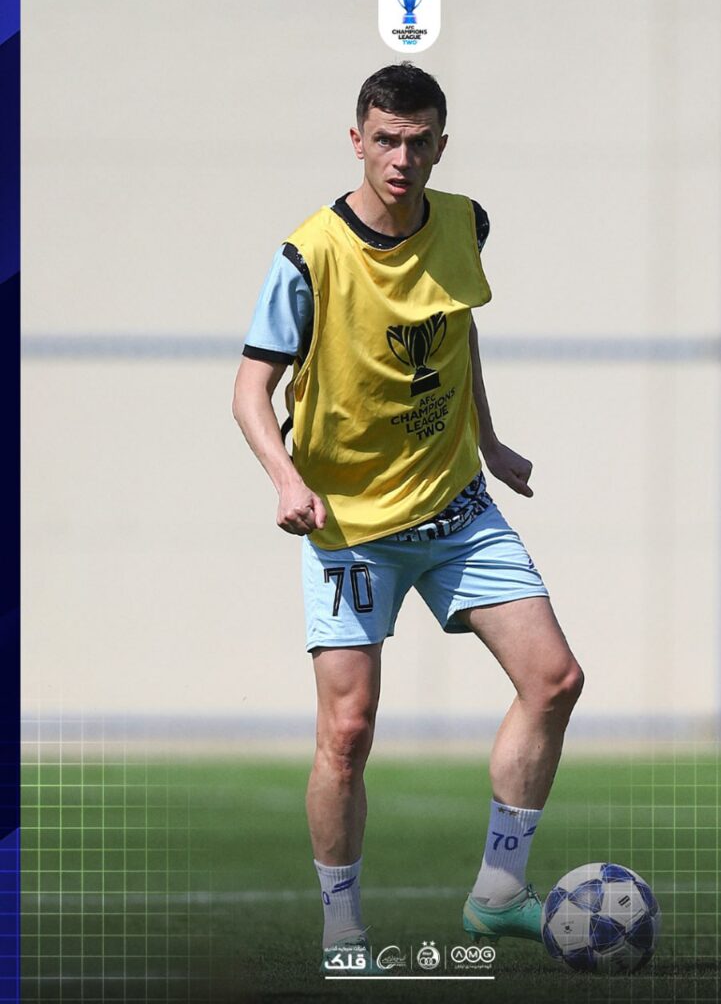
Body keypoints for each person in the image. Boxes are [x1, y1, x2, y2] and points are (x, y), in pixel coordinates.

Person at [232, 62, 584, 971]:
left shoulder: (465, 223)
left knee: (553, 680)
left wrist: (488, 440)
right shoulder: (308, 255)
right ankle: (341, 928)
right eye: (385, 140)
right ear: (357, 140)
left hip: (456, 508)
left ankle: (498, 893)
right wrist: (283, 478)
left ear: (439, 144)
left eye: (418, 141)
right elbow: (249, 388)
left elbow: (455, 328)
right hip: (350, 527)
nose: (400, 158)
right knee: (347, 734)